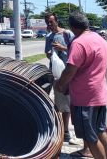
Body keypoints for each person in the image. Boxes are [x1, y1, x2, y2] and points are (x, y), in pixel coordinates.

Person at [56, 12, 107, 159]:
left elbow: (69, 71)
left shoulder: (78, 43)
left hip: (85, 97)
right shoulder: (100, 39)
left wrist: (60, 85)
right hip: (100, 94)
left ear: (72, 27)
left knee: (90, 137)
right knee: (100, 130)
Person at [44, 13, 75, 143]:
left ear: (57, 21)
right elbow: (46, 53)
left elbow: (75, 50)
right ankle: (62, 130)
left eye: (51, 22)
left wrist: (62, 48)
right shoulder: (49, 37)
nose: (49, 25)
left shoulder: (67, 34)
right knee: (60, 102)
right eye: (47, 22)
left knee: (68, 103)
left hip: (69, 73)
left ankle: (66, 131)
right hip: (56, 73)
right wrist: (50, 54)